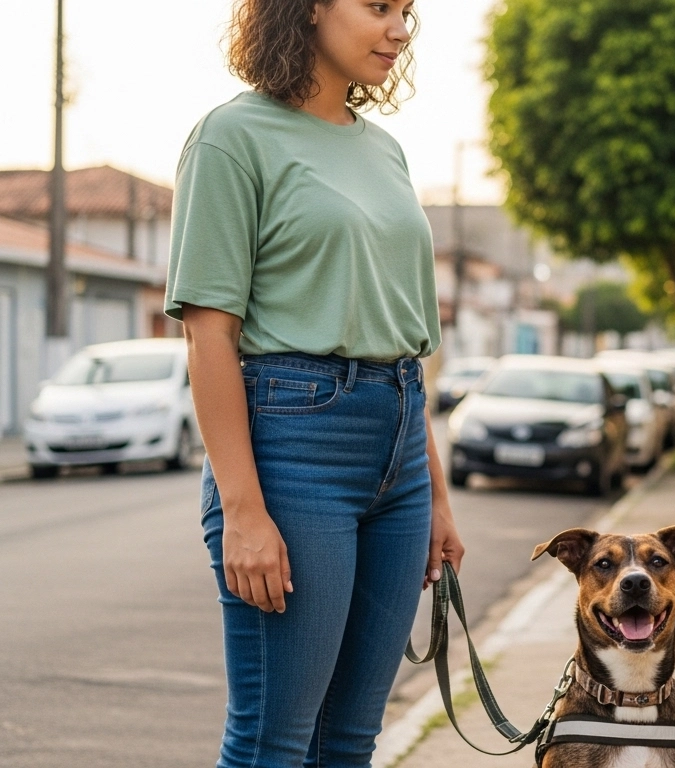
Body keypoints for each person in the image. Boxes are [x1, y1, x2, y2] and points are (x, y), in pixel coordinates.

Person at [165, 0, 464, 764]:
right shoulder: (232, 138)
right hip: (294, 447)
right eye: (378, 7)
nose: (400, 29)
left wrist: (431, 489)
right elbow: (210, 335)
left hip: (398, 448)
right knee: (276, 739)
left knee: (350, 741)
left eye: (406, 11)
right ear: (305, 11)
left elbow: (403, 338)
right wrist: (243, 511)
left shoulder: (384, 151)